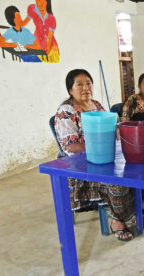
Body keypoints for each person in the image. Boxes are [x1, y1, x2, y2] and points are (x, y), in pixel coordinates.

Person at [54, 69, 135, 242]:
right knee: (115, 180)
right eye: (80, 84)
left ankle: (136, 206)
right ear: (70, 90)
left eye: (89, 83)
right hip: (80, 165)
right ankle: (117, 220)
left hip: (105, 156)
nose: (86, 88)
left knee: (134, 169)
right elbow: (71, 147)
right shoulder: (66, 112)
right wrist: (100, 146)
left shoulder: (97, 106)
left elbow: (114, 133)